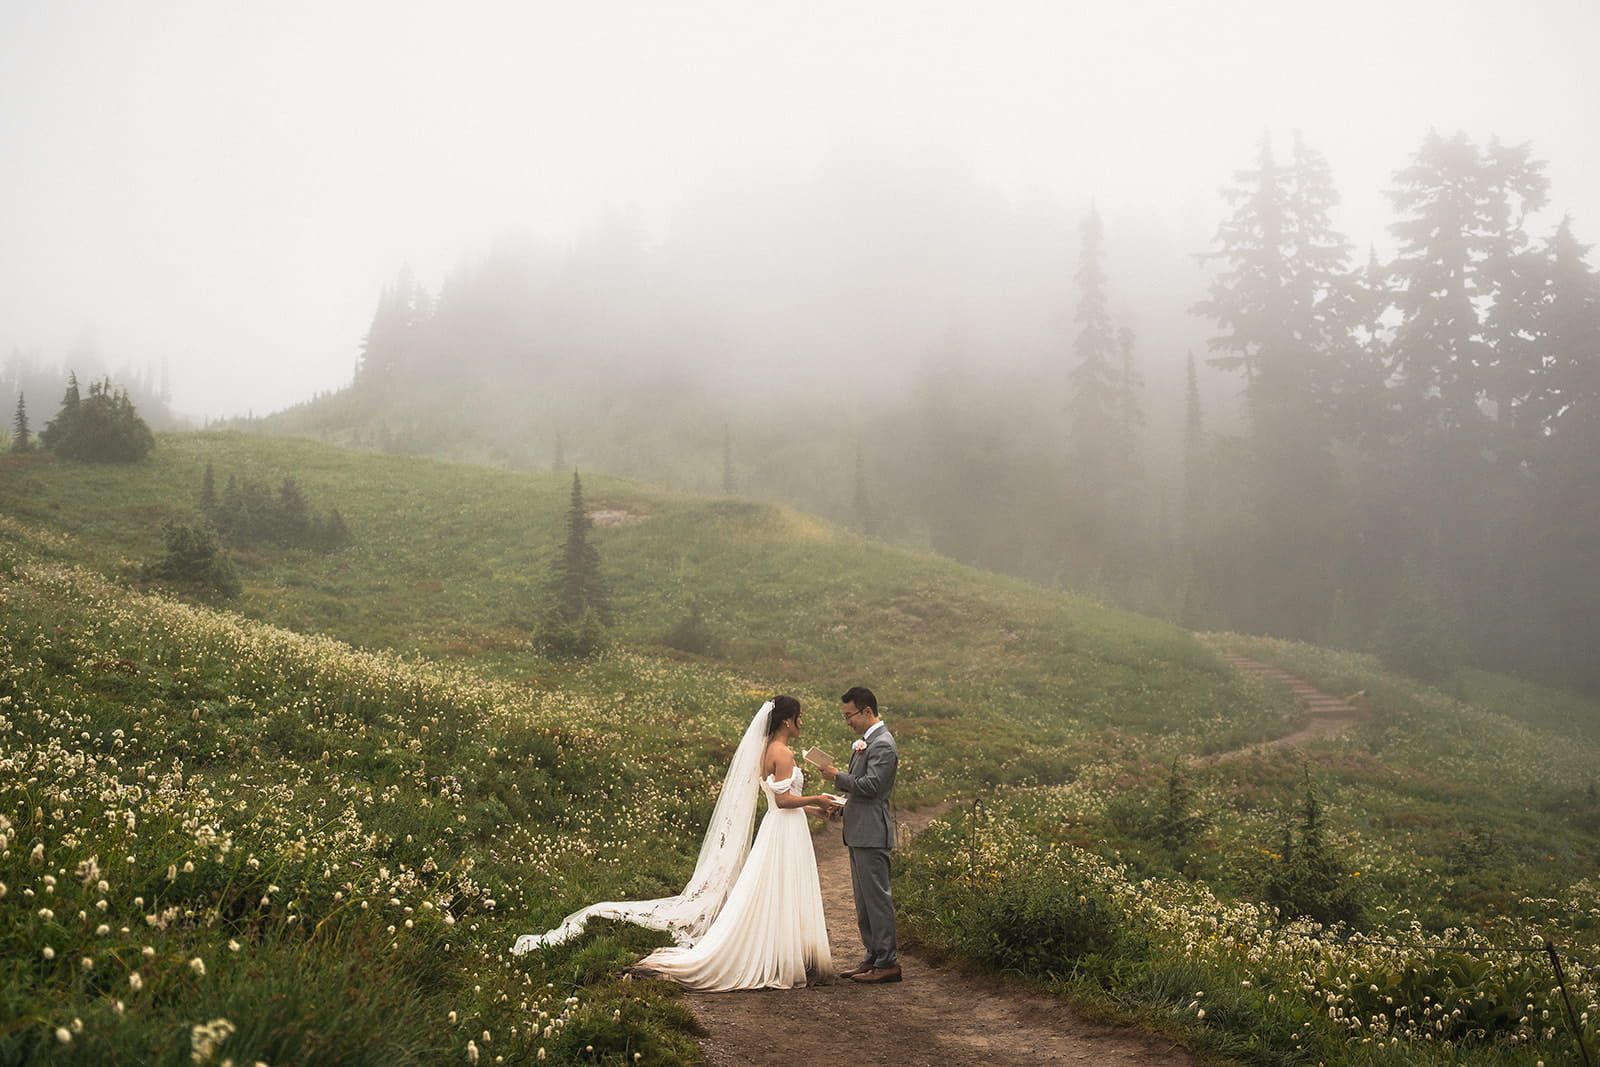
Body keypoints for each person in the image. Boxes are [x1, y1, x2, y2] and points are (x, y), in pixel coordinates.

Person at [511, 697, 839, 991]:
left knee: (777, 889)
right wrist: (821, 797)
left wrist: (815, 808)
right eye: (799, 717)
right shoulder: (782, 752)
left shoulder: (768, 749)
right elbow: (782, 800)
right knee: (780, 888)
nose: (801, 723)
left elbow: (781, 800)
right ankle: (783, 957)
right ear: (787, 720)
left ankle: (786, 953)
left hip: (782, 828)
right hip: (783, 830)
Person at [817, 685, 900, 983]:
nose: (847, 721)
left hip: (872, 832)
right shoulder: (866, 742)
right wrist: (843, 804)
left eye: (849, 715)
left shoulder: (883, 744)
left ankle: (888, 962)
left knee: (877, 899)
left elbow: (873, 787)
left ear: (867, 711)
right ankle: (873, 956)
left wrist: (837, 777)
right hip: (858, 830)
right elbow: (861, 789)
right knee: (864, 901)